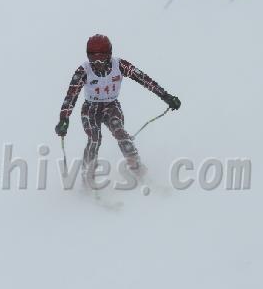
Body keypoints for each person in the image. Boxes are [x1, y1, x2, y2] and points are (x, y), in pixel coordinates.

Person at [55, 34, 181, 183]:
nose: (98, 64)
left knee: (120, 132)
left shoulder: (120, 65)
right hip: (90, 109)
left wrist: (165, 96)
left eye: (102, 59)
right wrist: (64, 119)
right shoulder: (83, 70)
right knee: (94, 138)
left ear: (109, 55)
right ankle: (88, 176)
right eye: (93, 59)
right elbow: (71, 95)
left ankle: (136, 166)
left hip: (111, 106)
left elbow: (144, 79)